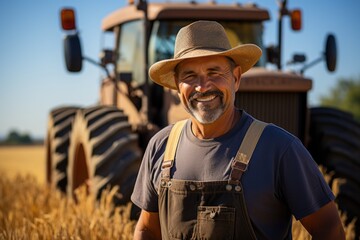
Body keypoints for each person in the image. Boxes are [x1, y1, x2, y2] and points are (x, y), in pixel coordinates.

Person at [131, 20, 345, 239]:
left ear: (236, 78)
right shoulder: (161, 146)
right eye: (190, 75)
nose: (202, 87)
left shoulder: (280, 149)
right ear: (177, 85)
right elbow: (147, 228)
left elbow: (330, 230)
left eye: (214, 72)